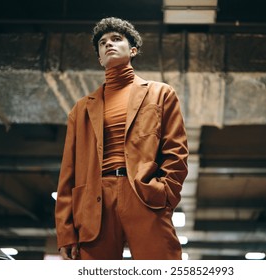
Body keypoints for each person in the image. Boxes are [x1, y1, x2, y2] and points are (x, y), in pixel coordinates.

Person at [55, 17, 188, 260]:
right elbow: (68, 173)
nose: (109, 44)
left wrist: (166, 194)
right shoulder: (81, 109)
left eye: (117, 39)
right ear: (99, 58)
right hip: (95, 203)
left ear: (133, 50)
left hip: (144, 194)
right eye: (103, 43)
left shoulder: (160, 93)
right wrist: (65, 231)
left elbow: (176, 152)